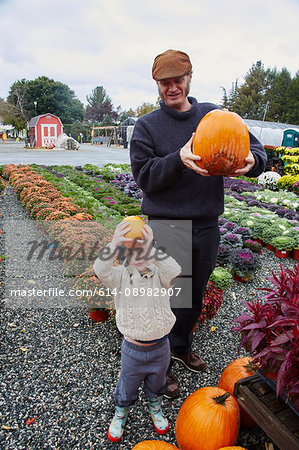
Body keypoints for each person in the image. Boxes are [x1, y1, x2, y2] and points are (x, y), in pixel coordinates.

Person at [129, 49, 267, 399]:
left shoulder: (215, 115)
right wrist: (178, 159)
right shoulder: (147, 126)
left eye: (178, 80)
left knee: (192, 296)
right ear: (156, 84)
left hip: (206, 225)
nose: (172, 88)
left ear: (190, 78)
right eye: (165, 82)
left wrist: (254, 161)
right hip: (165, 227)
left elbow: (257, 150)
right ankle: (160, 367)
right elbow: (145, 178)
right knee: (164, 300)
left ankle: (180, 345)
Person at [93, 220, 181, 442]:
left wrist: (153, 248)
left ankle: (155, 406)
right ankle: (121, 411)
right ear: (123, 255)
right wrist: (113, 244)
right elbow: (99, 270)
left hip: (161, 347)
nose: (140, 255)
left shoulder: (161, 277)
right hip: (133, 349)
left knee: (157, 381)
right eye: (134, 251)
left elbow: (176, 270)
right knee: (128, 383)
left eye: (145, 250)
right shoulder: (120, 277)